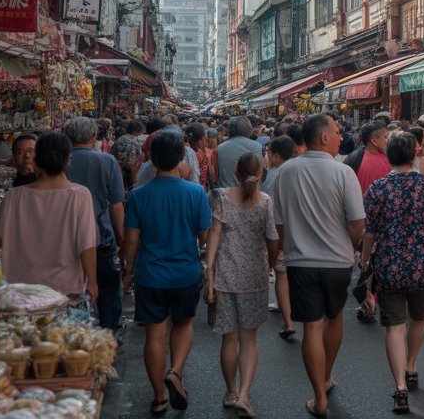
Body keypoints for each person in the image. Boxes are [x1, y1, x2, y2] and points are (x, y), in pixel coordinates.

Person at [272, 113, 365, 418]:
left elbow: (280, 223)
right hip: (338, 262)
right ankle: (326, 377)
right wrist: (351, 248)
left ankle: (319, 398)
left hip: (301, 261)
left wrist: (286, 250)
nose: (342, 137)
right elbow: (357, 223)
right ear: (323, 136)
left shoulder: (285, 172)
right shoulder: (342, 172)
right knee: (335, 316)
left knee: (311, 327)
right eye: (337, 132)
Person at [360, 131, 424, 415]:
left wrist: (364, 261)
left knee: (393, 326)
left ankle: (400, 386)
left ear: (389, 156)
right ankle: (411, 365)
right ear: (413, 155)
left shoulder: (378, 188)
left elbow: (370, 232)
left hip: (388, 265)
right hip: (421, 264)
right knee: (419, 317)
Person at [123, 128, 211, 415]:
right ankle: (175, 370)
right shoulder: (196, 193)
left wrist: (128, 271)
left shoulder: (138, 196)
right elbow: (203, 235)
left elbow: (132, 239)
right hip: (185, 272)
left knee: (154, 335)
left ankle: (160, 396)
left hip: (150, 273)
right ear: (180, 158)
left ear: (151, 159)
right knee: (184, 324)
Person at [205, 152, 280, 418]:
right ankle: (245, 395)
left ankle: (231, 391)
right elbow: (272, 237)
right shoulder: (265, 202)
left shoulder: (223, 198)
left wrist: (209, 272)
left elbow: (214, 234)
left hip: (225, 276)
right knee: (249, 339)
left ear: (236, 172)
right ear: (261, 174)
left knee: (229, 338)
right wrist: (271, 263)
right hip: (254, 278)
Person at [0, 132, 98, 303]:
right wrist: (92, 282)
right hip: (63, 291)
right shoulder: (80, 195)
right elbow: (86, 245)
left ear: (37, 160)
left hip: (19, 292)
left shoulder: (13, 197)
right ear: (67, 161)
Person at [62, 117, 126, 331]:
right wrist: (122, 236)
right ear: (94, 136)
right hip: (101, 236)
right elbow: (116, 205)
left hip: (66, 236)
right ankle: (109, 335)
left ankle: (75, 332)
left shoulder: (61, 161)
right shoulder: (107, 161)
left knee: (70, 289)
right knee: (107, 288)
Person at [263, 136, 297, 339]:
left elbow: (268, 207)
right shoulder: (300, 169)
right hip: (302, 232)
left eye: (268, 153)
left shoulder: (273, 175)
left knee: (282, 274)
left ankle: (288, 322)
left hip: (280, 231)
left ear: (275, 155)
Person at [214, 117, 262, 190]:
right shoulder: (258, 147)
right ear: (249, 130)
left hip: (226, 195)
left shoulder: (219, 148)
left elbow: (215, 176)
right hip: (251, 194)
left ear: (230, 130)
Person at [356, 121, 391, 194]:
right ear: (374, 140)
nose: (387, 141)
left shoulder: (358, 158)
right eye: (385, 137)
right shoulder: (382, 162)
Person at [111, 121, 145, 192]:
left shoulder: (118, 140)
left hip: (115, 174)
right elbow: (137, 164)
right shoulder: (136, 144)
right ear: (139, 131)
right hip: (128, 179)